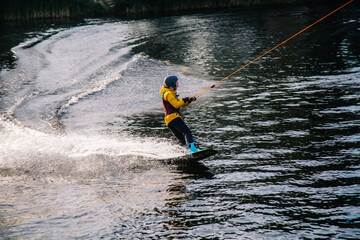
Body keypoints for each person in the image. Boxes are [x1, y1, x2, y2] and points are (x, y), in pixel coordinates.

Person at [159, 75, 199, 153]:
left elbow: (180, 104)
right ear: (172, 85)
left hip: (169, 120)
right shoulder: (168, 94)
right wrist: (184, 100)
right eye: (177, 83)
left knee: (182, 140)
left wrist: (189, 100)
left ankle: (173, 153)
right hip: (173, 117)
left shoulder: (171, 93)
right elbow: (176, 105)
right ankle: (192, 149)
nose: (178, 85)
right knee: (187, 132)